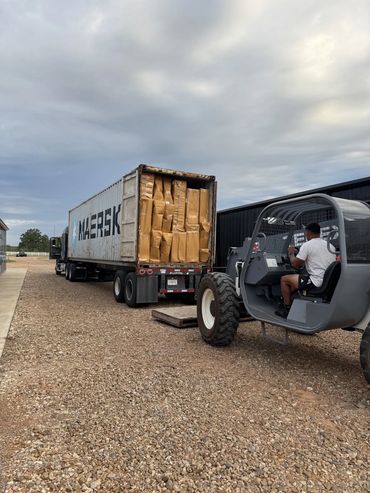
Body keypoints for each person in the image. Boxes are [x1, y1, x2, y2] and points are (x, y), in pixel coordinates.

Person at [275, 222, 336, 318]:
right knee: (295, 283)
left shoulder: (307, 245)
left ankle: (286, 309)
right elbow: (314, 258)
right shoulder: (330, 246)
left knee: (284, 279)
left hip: (315, 281)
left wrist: (291, 253)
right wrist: (299, 252)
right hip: (327, 282)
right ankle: (287, 299)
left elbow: (295, 264)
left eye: (305, 232)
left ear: (308, 232)